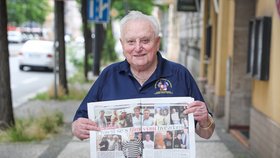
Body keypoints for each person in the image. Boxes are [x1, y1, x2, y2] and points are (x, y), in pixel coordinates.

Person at [72, 10, 215, 140]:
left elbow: (206, 133)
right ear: (122, 44)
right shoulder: (109, 75)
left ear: (157, 42)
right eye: (131, 42)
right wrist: (77, 127)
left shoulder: (180, 75)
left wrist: (205, 120)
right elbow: (80, 120)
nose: (138, 48)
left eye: (145, 40)